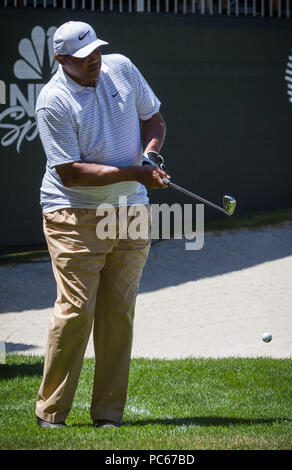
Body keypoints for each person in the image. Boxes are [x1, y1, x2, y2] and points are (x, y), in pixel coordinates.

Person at [35, 20, 168, 429]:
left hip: (130, 210)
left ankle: (108, 416)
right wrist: (134, 173)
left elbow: (154, 120)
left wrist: (148, 158)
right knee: (76, 311)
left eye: (95, 52)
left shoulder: (121, 67)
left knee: (118, 313)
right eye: (81, 58)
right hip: (74, 214)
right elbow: (71, 173)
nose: (93, 61)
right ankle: (51, 413)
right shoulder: (52, 101)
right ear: (60, 60)